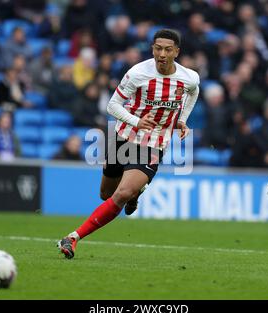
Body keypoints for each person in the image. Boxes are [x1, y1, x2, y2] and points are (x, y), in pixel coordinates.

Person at [57, 29, 200, 259]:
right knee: (106, 194)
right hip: (123, 136)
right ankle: (135, 193)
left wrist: (182, 120)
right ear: (152, 48)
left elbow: (194, 93)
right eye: (157, 48)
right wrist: (136, 121)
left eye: (167, 49)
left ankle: (73, 237)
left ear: (176, 52)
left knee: (121, 194)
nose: (162, 54)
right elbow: (112, 106)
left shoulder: (189, 77)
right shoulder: (137, 73)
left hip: (153, 143)